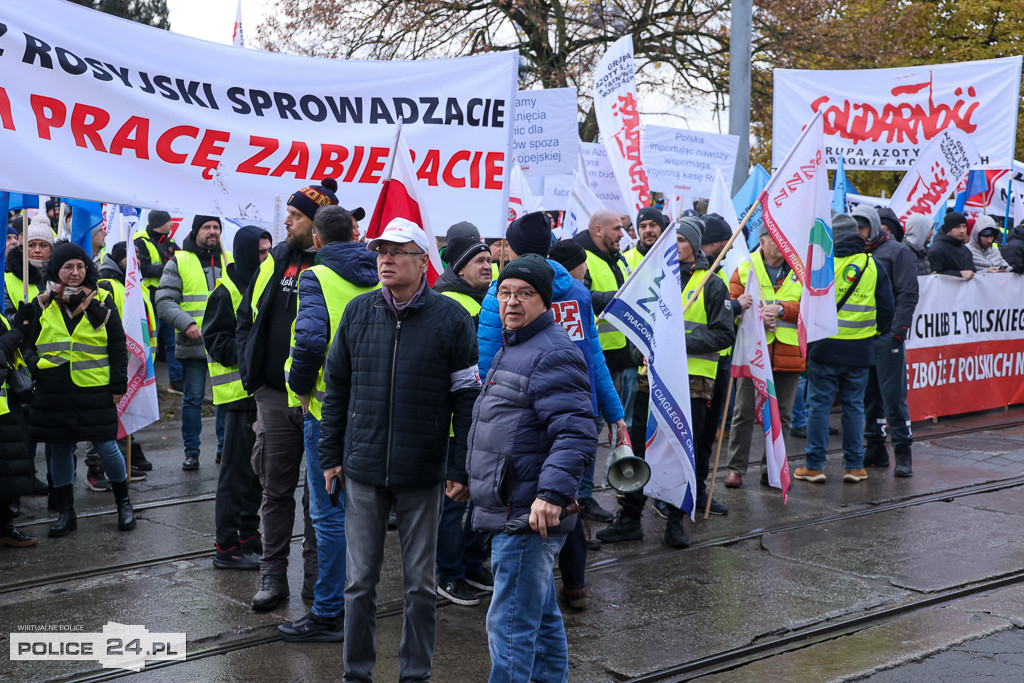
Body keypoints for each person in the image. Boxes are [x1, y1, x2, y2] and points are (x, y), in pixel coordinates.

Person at [318, 217, 480, 682]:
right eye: (380, 251)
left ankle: (415, 674)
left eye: (397, 251)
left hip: (422, 471)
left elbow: (465, 399)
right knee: (359, 583)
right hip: (364, 470)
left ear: (423, 261)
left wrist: (458, 467)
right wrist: (330, 456)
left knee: (421, 587)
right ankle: (356, 674)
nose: (385, 259)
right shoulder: (359, 311)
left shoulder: (450, 318)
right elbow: (337, 389)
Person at [468, 255, 597, 682]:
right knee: (539, 622)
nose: (512, 302)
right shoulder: (517, 344)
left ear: (545, 301)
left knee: (509, 629)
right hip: (514, 507)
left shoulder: (552, 352)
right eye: (505, 292)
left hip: (526, 514)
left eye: (525, 293)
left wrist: (550, 495)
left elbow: (575, 431)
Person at [598, 217, 734, 548]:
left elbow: (723, 333)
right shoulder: (655, 280)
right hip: (650, 384)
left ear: (695, 245)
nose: (673, 247)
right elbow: (638, 330)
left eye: (682, 241)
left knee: (680, 453)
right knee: (640, 452)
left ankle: (675, 521)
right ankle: (630, 518)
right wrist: (636, 353)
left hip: (692, 389)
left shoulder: (712, 284)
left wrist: (675, 342)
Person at [278, 205, 379, 641]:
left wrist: (299, 387)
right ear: (354, 234)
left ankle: (327, 612)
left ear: (317, 240)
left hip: (326, 413)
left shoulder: (315, 276)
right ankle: (358, 605)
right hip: (374, 409)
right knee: (369, 512)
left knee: (329, 516)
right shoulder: (378, 271)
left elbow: (312, 338)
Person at [238, 179, 337, 611]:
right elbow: (248, 316)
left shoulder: (342, 265)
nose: (286, 221)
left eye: (295, 216)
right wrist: (254, 376)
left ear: (315, 223)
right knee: (274, 492)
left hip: (321, 401)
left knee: (321, 499)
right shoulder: (276, 260)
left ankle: (317, 585)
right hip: (276, 398)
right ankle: (271, 576)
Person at [20, 243, 135, 536]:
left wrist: (118, 385)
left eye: (80, 266)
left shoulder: (103, 300)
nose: (75, 273)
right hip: (53, 391)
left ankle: (124, 504)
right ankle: (66, 513)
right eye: (68, 267)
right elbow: (27, 345)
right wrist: (36, 366)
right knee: (59, 449)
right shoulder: (41, 303)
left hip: (94, 390)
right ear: (56, 270)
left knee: (107, 447)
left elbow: (117, 345)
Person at [793, 214, 894, 485]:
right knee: (854, 406)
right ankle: (854, 466)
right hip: (860, 349)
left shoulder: (819, 265)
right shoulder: (872, 265)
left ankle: (814, 466)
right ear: (857, 235)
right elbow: (887, 309)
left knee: (819, 406)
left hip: (824, 348)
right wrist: (875, 333)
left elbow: (804, 305)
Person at [203, 226, 271, 572]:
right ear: (245, 253)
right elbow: (215, 342)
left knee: (257, 474)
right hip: (237, 397)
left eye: (268, 251)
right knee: (234, 474)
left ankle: (249, 535)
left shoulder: (265, 284)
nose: (266, 257)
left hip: (262, 395)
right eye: (260, 252)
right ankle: (226, 545)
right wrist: (253, 351)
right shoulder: (225, 291)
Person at [432, 231, 493, 607]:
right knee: (456, 499)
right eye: (479, 261)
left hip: (480, 418)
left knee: (478, 496)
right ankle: (449, 574)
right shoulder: (459, 305)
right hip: (460, 420)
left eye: (489, 259)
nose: (488, 266)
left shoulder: (479, 300)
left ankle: (471, 563)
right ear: (458, 267)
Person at [724, 227, 803, 488]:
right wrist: (757, 315)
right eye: (777, 239)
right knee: (743, 412)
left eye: (785, 239)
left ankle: (772, 469)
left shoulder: (800, 272)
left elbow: (812, 310)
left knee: (782, 415)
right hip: (752, 354)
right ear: (763, 242)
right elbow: (730, 307)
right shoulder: (745, 268)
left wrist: (782, 310)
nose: (782, 244)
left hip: (788, 354)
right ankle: (736, 468)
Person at [573, 209, 634, 523]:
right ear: (597, 229)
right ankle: (581, 498)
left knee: (613, 426)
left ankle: (586, 495)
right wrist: (618, 298)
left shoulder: (617, 258)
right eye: (617, 229)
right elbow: (583, 296)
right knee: (589, 431)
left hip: (618, 358)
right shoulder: (581, 257)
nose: (622, 234)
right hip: (595, 361)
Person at [156, 215, 228, 471]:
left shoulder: (230, 259)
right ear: (196, 231)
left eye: (216, 227)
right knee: (193, 398)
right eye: (207, 227)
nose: (212, 232)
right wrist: (187, 323)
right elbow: (164, 301)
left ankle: (225, 449)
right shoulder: (180, 260)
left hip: (225, 345)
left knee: (225, 399)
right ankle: (192, 452)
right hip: (194, 343)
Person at [853, 205, 920, 477]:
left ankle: (903, 451)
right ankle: (876, 447)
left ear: (873, 225)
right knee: (869, 393)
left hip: (887, 335)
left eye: (862, 226)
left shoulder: (897, 252)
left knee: (893, 395)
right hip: (863, 334)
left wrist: (897, 330)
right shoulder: (857, 252)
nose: (859, 232)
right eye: (855, 227)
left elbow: (908, 292)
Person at [694, 213, 744, 514]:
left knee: (706, 436)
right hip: (695, 372)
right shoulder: (695, 277)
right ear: (718, 242)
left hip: (716, 366)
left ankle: (699, 491)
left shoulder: (716, 274)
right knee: (694, 436)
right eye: (728, 241)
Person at [0, 315, 37, 547]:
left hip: (5, 406)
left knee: (6, 474)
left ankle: (4, 527)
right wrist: (11, 339)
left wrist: (19, 322)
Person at [134, 209, 182, 392]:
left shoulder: (170, 243)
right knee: (151, 343)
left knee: (172, 342)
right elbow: (144, 269)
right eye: (169, 221)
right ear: (160, 223)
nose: (171, 224)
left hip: (169, 298)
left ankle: (176, 380)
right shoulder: (141, 242)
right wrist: (170, 268)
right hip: (150, 300)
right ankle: (146, 381)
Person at [4, 215, 52, 318]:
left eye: (43, 245)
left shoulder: (61, 275)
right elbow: (5, 318)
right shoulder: (7, 280)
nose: (37, 250)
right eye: (31, 245)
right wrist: (18, 318)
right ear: (23, 248)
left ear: (51, 249)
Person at [927, 211, 975, 279]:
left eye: (964, 227)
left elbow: (972, 272)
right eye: (958, 227)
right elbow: (935, 276)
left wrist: (985, 271)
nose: (962, 230)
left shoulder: (966, 250)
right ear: (948, 229)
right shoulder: (936, 249)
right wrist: (959, 274)